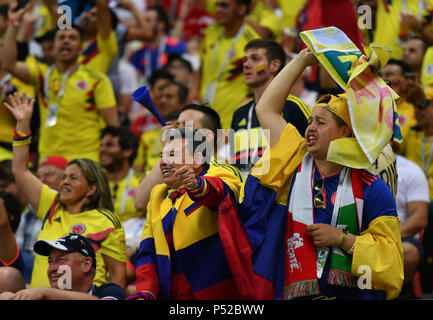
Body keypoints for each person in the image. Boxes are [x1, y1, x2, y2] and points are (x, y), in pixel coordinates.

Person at [233, 49, 404, 300]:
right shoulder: (294, 158)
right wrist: (303, 60)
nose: (310, 128)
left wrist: (343, 240)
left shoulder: (371, 186)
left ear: (344, 131)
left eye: (321, 123)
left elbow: (392, 260)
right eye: (310, 121)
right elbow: (266, 109)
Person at [4, 93, 127, 289]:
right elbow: (19, 170)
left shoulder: (106, 220)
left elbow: (118, 274)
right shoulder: (51, 204)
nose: (65, 182)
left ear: (92, 189)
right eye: (63, 177)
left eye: (73, 178)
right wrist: (23, 125)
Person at [130, 127, 244, 300]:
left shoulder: (219, 173)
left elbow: (222, 193)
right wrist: (146, 292)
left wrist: (198, 186)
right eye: (162, 156)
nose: (163, 162)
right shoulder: (157, 197)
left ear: (198, 159)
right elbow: (148, 251)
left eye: (172, 154)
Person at [2, 3, 120, 164]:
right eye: (61, 38)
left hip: (85, 160)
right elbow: (9, 64)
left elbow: (113, 125)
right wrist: (14, 24)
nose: (66, 41)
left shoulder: (97, 79)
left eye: (72, 38)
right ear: (54, 47)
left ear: (80, 49)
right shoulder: (43, 74)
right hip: (48, 161)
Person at [230, 38, 310, 178]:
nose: (246, 65)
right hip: (246, 196)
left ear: (274, 66)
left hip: (280, 196)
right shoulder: (239, 113)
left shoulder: (294, 106)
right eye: (245, 60)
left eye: (255, 59)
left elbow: (311, 153)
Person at [0, 233, 127, 300]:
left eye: (61, 260)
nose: (52, 268)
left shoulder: (110, 291)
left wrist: (46, 293)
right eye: (50, 262)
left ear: (86, 264)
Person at [199, 0, 260, 129]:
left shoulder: (252, 42)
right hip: (205, 115)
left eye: (224, 6)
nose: (218, 10)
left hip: (231, 119)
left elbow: (261, 81)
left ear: (241, 9)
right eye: (217, 5)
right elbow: (201, 66)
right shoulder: (210, 32)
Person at [393, 152, 429, 298]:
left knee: (409, 253)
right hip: (361, 233)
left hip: (400, 235)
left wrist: (388, 238)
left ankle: (401, 292)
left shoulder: (410, 170)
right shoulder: (353, 167)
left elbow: (420, 218)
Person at [134, 80, 189, 174]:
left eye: (169, 96)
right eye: (160, 97)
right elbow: (137, 170)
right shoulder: (147, 136)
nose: (163, 100)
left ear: (182, 102)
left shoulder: (192, 133)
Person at [128, 5, 187, 84]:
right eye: (142, 20)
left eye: (148, 20)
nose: (142, 25)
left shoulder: (177, 47)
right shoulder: (137, 52)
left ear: (161, 24)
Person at [99, 126, 141, 224]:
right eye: (101, 145)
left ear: (127, 152)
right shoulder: (93, 183)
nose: (102, 150)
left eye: (109, 145)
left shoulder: (141, 182)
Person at [380, 59, 418, 155]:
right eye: (380, 75)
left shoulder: (417, 109)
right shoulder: (373, 108)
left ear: (406, 80)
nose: (383, 80)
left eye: (389, 75)